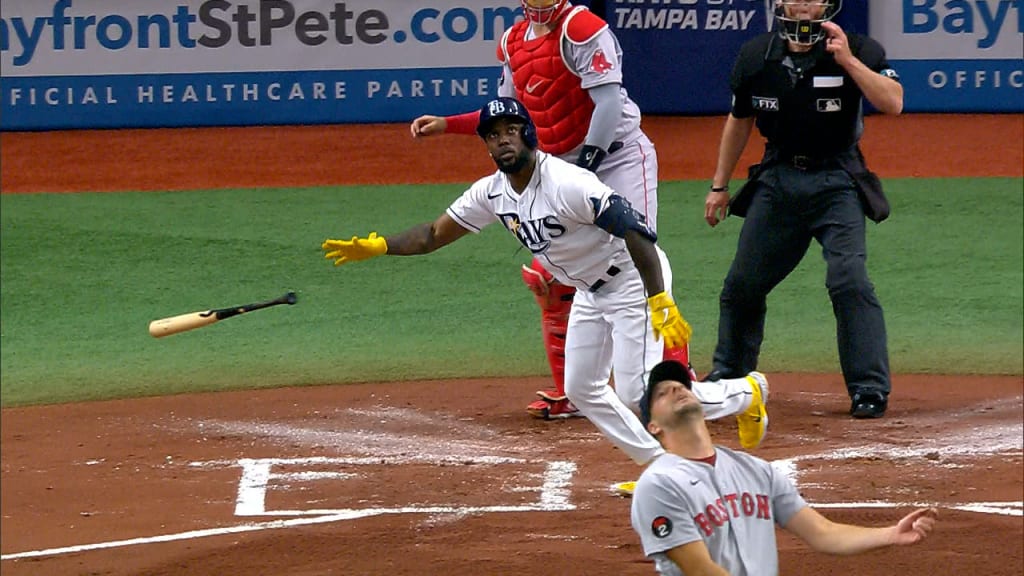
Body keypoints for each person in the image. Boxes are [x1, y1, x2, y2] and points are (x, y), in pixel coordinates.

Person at [324, 97, 768, 477]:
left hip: (632, 280)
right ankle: (658, 465)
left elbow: (635, 230)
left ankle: (746, 393)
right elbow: (433, 234)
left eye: (511, 130)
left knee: (640, 393)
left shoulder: (567, 183)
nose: (503, 139)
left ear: (528, 134)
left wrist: (659, 299)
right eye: (493, 133)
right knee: (582, 387)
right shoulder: (492, 193)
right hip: (592, 293)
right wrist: (381, 246)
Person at [409, 0, 695, 421]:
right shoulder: (511, 41)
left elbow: (608, 104)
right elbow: (508, 114)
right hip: (562, 165)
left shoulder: (580, 27)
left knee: (638, 259)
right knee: (549, 275)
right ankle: (574, 391)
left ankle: (677, 379)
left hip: (615, 158)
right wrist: (447, 123)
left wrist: (586, 172)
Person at [703, 0, 902, 418]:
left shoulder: (860, 49)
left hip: (838, 181)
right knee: (742, 284)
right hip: (778, 181)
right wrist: (719, 186)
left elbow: (893, 101)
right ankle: (729, 375)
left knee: (849, 281)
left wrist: (847, 60)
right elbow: (739, 119)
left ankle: (869, 388)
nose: (803, 4)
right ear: (780, 4)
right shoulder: (756, 56)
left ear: (827, 4)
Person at [630, 359, 939, 575]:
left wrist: (890, 535)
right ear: (653, 426)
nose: (676, 389)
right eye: (662, 393)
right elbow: (699, 569)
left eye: (681, 385)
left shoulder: (755, 471)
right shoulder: (658, 484)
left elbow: (822, 533)